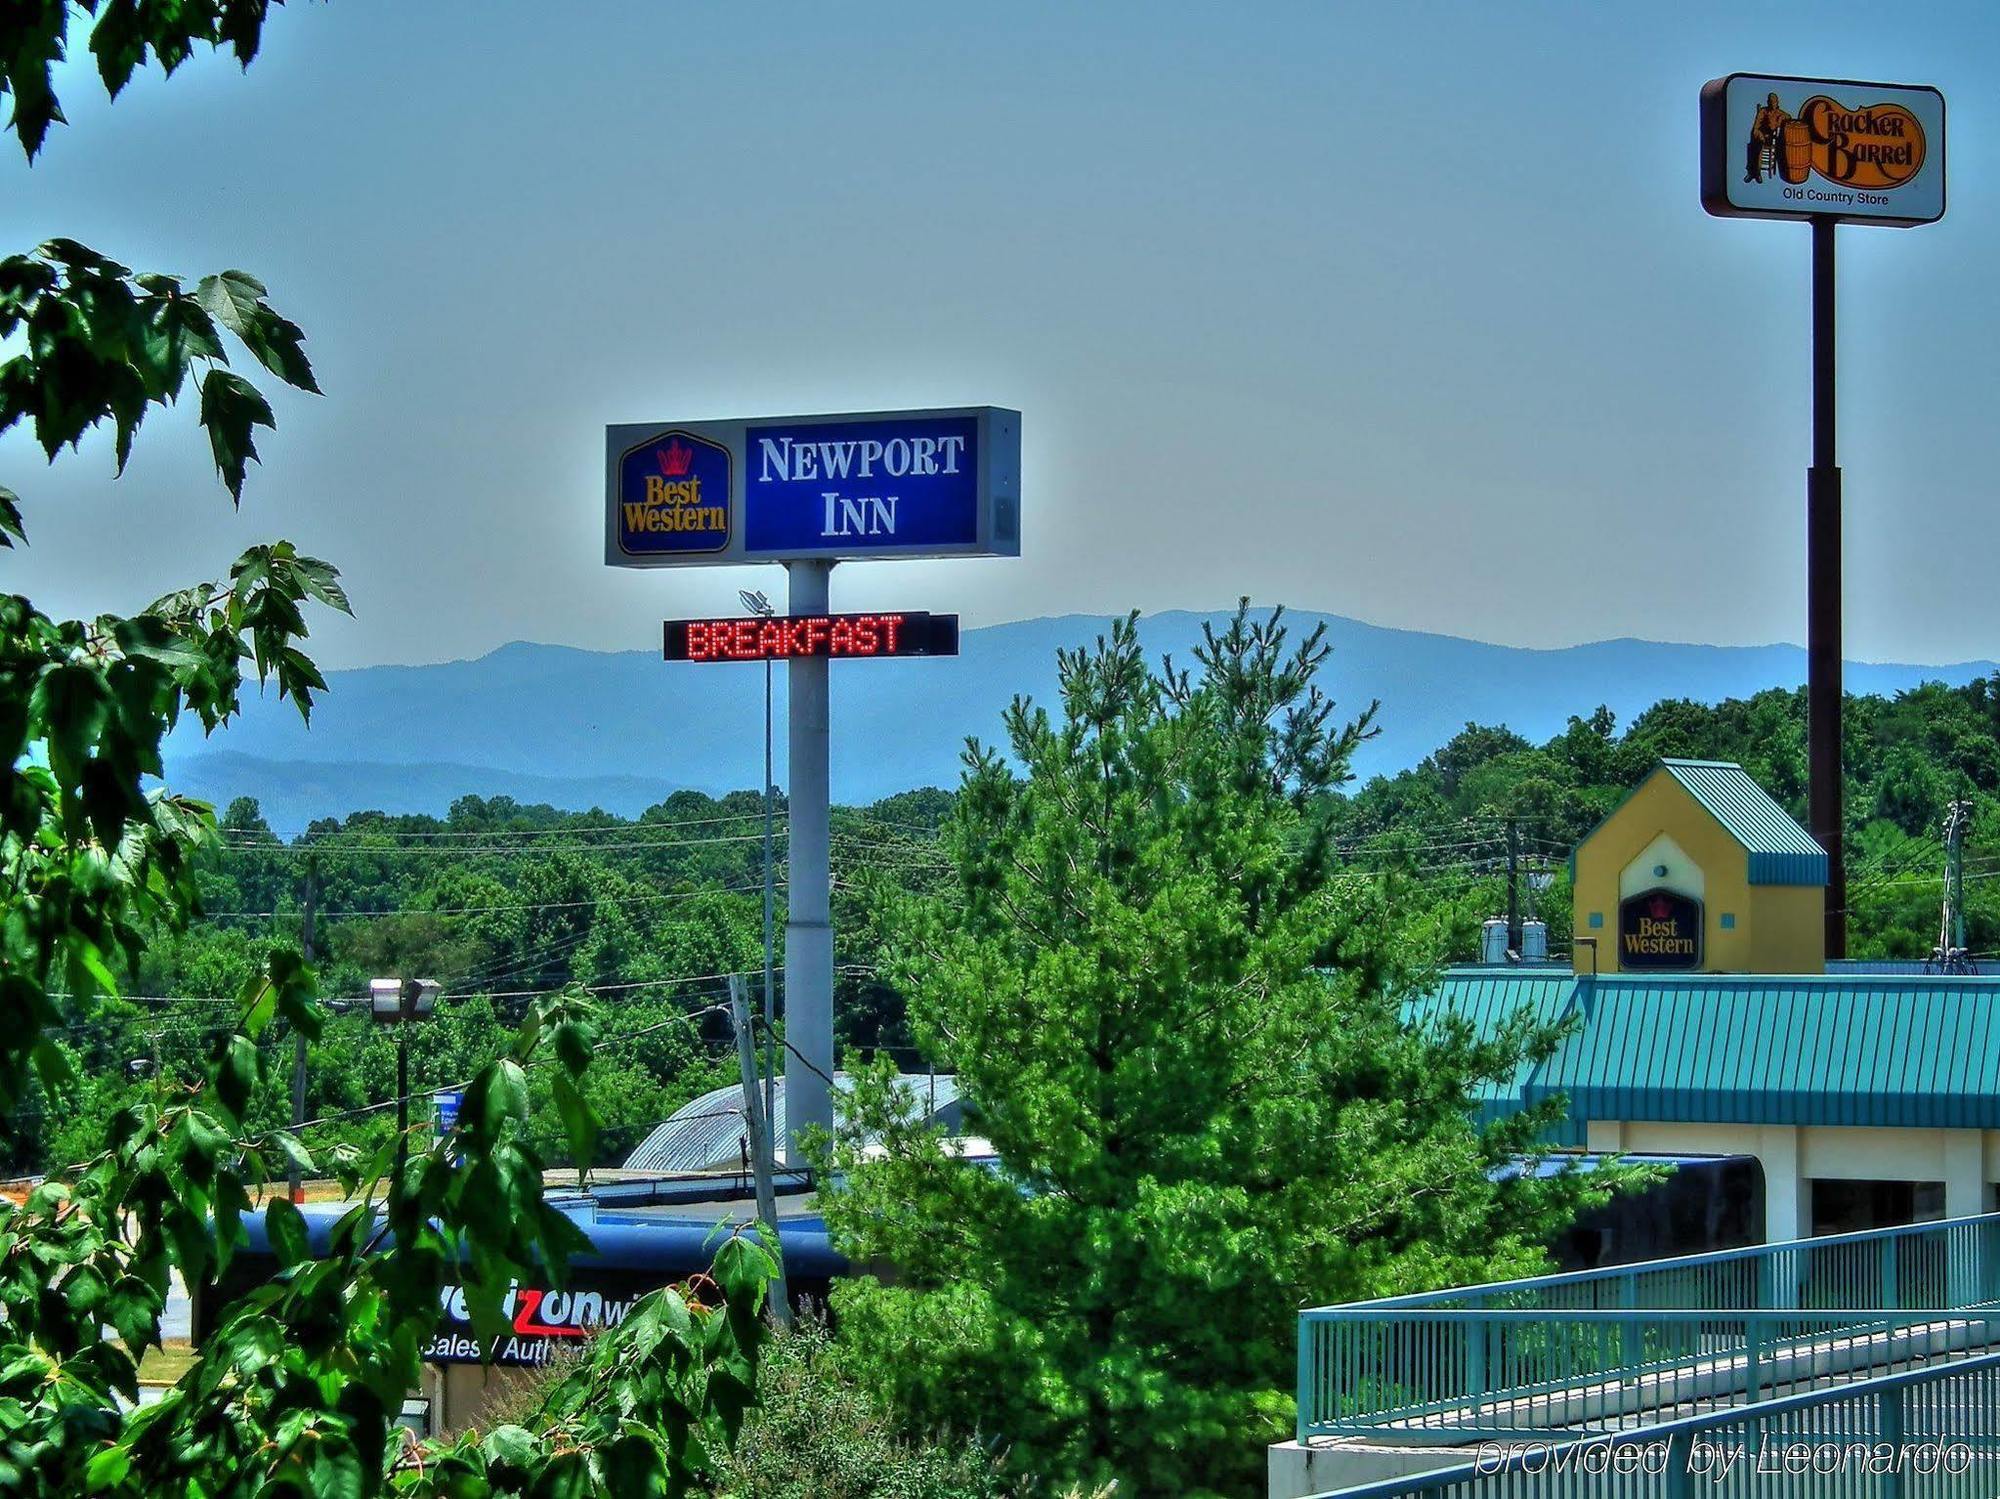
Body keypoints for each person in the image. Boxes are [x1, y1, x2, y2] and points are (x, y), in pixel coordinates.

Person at [1745, 92, 1788, 184]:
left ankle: (1756, 173)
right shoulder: (1763, 111)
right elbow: (1756, 127)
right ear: (1768, 102)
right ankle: (1753, 173)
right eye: (1771, 101)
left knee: (1759, 146)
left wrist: (1781, 118)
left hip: (1772, 139)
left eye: (1775, 102)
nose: (1773, 103)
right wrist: (1759, 135)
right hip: (1760, 137)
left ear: (1777, 102)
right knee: (1754, 146)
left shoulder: (1779, 113)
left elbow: (1788, 117)